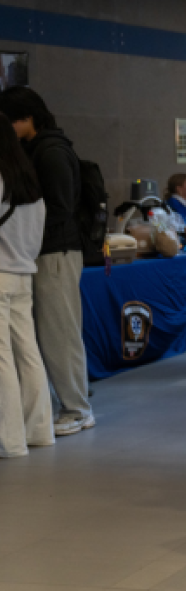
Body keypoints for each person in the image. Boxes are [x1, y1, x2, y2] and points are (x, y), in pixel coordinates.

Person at [0, 86, 93, 435]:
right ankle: (68, 404)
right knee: (44, 334)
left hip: (57, 252)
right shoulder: (36, 149)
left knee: (60, 332)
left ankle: (77, 408)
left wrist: (21, 234)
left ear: (26, 119)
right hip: (43, 253)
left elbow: (60, 208)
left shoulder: (52, 152)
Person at [0, 112, 53, 457]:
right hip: (23, 273)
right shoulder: (31, 185)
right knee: (28, 353)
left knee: (2, 357)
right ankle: (39, 431)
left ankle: (11, 440)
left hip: (0, 272)